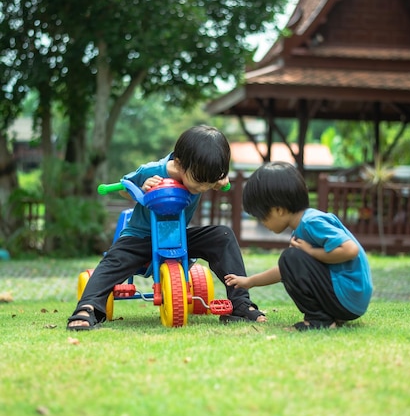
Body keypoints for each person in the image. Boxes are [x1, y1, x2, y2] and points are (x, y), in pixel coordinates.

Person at [67, 125, 266, 330]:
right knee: (114, 259)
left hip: (177, 236)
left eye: (209, 182)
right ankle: (88, 306)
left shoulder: (203, 172)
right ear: (179, 164)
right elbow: (125, 188)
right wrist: (143, 189)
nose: (202, 188)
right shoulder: (153, 170)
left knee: (222, 236)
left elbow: (213, 180)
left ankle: (241, 303)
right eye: (199, 181)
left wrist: (218, 179)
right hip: (142, 236)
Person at [225, 161, 373, 331]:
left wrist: (312, 251)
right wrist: (250, 281)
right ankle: (325, 316)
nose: (262, 223)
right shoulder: (303, 228)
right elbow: (285, 270)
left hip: (348, 296)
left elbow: (350, 250)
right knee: (290, 259)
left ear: (279, 210)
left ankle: (319, 320)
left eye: (262, 217)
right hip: (349, 299)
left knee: (290, 257)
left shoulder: (312, 222)